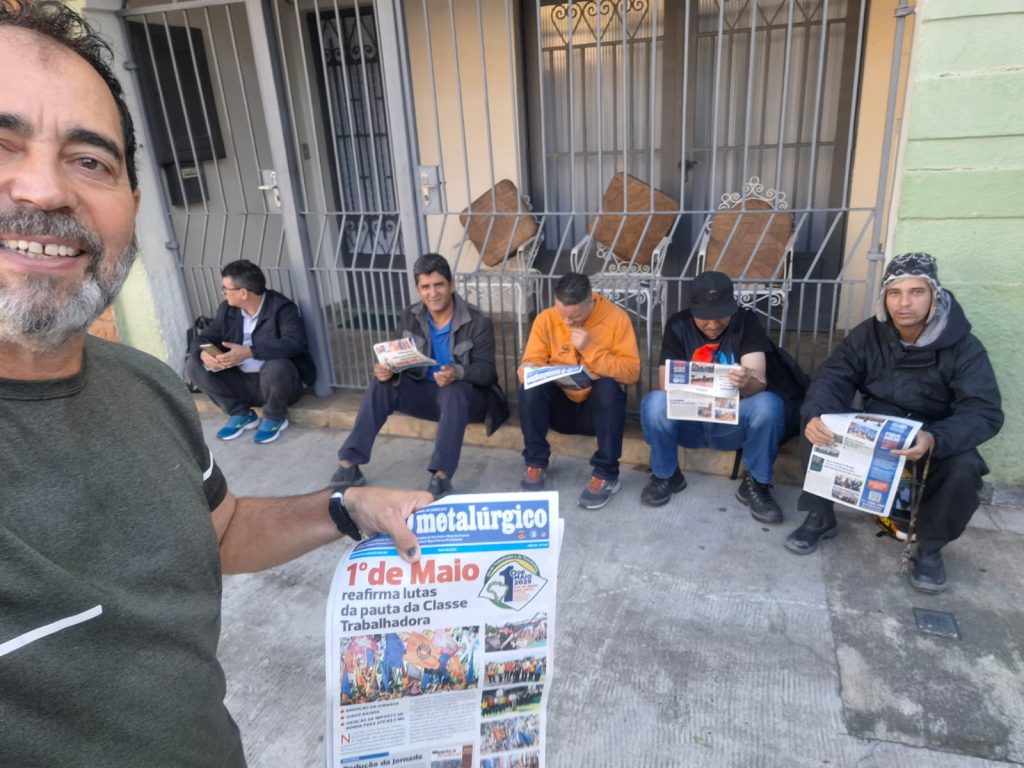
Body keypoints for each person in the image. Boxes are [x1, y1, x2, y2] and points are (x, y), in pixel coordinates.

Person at [0, 3, 428, 766]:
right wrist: (225, 355)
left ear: (133, 206)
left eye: (90, 160)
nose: (42, 189)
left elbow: (222, 533)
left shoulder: (145, 387)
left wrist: (346, 506)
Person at [785, 252, 1003, 593]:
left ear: (934, 295)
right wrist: (817, 413)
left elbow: (984, 411)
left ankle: (929, 548)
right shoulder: (869, 334)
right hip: (878, 424)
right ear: (884, 298)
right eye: (894, 293)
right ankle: (820, 515)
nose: (904, 303)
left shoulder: (963, 347)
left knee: (965, 466)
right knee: (817, 426)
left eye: (916, 292)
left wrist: (935, 438)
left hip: (931, 433)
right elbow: (834, 376)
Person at [331, 253, 506, 499]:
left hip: (468, 401)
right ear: (417, 289)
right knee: (382, 385)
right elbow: (395, 357)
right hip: (426, 395)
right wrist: (386, 368)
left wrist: (457, 372)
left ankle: (441, 476)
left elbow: (487, 373)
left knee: (454, 389)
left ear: (451, 285)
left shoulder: (476, 321)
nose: (433, 293)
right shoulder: (410, 317)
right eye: (426, 287)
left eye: (439, 285)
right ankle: (350, 462)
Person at [639, 271, 789, 521]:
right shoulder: (678, 324)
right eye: (704, 318)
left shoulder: (746, 322)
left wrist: (747, 381)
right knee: (654, 403)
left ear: (732, 307)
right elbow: (666, 385)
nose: (712, 325)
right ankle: (666, 475)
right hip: (690, 421)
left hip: (730, 423)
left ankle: (756, 483)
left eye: (720, 316)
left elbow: (759, 385)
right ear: (692, 310)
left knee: (769, 405)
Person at [517, 272, 640, 509]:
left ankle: (606, 474)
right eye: (561, 314)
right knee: (530, 387)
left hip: (595, 413)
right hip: (559, 409)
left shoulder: (616, 318)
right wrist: (527, 370)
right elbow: (531, 360)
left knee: (609, 387)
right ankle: (535, 462)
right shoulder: (546, 319)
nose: (566, 322)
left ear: (590, 301)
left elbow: (631, 372)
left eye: (574, 317)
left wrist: (590, 348)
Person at [186, 259, 316, 444]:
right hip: (242, 382)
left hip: (279, 385)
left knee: (278, 365)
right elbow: (203, 338)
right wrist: (203, 354)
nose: (223, 293)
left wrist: (249, 352)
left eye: (225, 288)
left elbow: (293, 343)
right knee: (193, 364)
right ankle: (241, 413)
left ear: (243, 293)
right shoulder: (227, 309)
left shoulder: (282, 308)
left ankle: (275, 416)